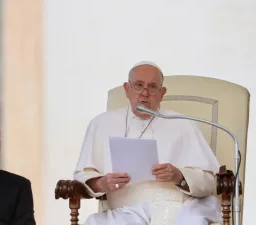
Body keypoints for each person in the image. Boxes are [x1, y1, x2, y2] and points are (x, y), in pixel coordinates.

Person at [73, 61, 222, 225]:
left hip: (178, 208)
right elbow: (82, 176)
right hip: (126, 212)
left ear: (162, 93)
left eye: (152, 87)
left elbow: (210, 181)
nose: (145, 93)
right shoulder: (101, 124)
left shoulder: (183, 124)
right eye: (138, 85)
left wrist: (179, 176)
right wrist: (101, 183)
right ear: (127, 89)